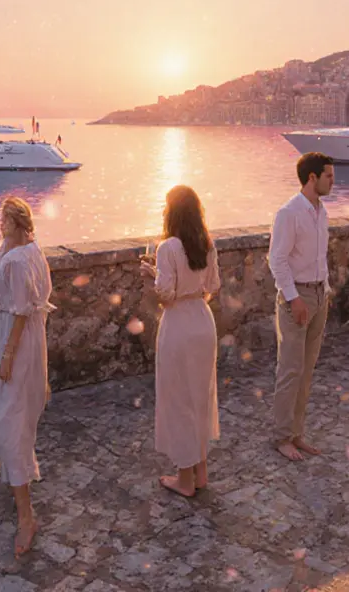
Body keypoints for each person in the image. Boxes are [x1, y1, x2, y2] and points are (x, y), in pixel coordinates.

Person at [0, 197, 54, 556]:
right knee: (11, 413)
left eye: (5, 219)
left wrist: (8, 354)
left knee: (10, 421)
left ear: (18, 221)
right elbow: (20, 299)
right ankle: (15, 476)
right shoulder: (20, 248)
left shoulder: (22, 258)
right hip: (11, 333)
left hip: (14, 339)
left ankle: (26, 518)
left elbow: (22, 311)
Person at [139, 185, 221, 497]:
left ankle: (184, 479)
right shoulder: (206, 244)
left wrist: (150, 276)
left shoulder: (167, 247)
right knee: (200, 396)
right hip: (203, 320)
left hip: (179, 327)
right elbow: (211, 286)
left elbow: (166, 296)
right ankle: (201, 470)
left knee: (179, 400)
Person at [268, 152, 334, 462]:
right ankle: (282, 437)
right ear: (312, 178)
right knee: (290, 371)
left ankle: (297, 433)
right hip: (298, 298)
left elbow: (320, 257)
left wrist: (327, 289)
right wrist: (293, 298)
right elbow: (277, 260)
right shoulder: (289, 213)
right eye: (329, 176)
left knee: (306, 372)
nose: (332, 181)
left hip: (320, 296)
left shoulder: (321, 212)